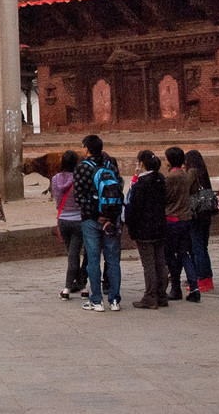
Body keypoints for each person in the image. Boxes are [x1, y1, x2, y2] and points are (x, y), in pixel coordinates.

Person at [74, 134, 122, 312]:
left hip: (91, 220)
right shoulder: (110, 164)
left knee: (93, 259)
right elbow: (118, 188)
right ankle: (115, 300)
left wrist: (96, 215)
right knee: (113, 259)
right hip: (111, 219)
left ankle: (96, 300)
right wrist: (110, 215)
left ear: (87, 148)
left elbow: (79, 197)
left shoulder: (82, 168)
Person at [125, 150, 168, 310]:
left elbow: (134, 208)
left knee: (149, 263)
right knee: (160, 261)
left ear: (141, 164)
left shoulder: (141, 184)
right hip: (159, 225)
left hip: (144, 228)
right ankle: (161, 294)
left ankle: (151, 296)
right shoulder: (160, 178)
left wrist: (130, 225)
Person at [162, 146, 200, 303]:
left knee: (170, 255)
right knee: (184, 254)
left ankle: (175, 287)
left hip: (172, 219)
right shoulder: (186, 175)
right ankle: (194, 286)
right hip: (186, 218)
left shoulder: (171, 178)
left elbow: (164, 198)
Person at [52, 150, 85, 300]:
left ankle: (79, 284)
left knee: (71, 253)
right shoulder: (80, 179)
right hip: (77, 219)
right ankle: (68, 287)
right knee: (74, 254)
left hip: (63, 219)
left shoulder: (55, 179)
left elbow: (56, 197)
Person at [184, 149, 215, 292]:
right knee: (202, 246)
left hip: (196, 214)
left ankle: (201, 278)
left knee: (197, 247)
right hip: (206, 213)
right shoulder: (203, 172)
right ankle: (207, 278)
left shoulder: (192, 172)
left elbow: (186, 189)